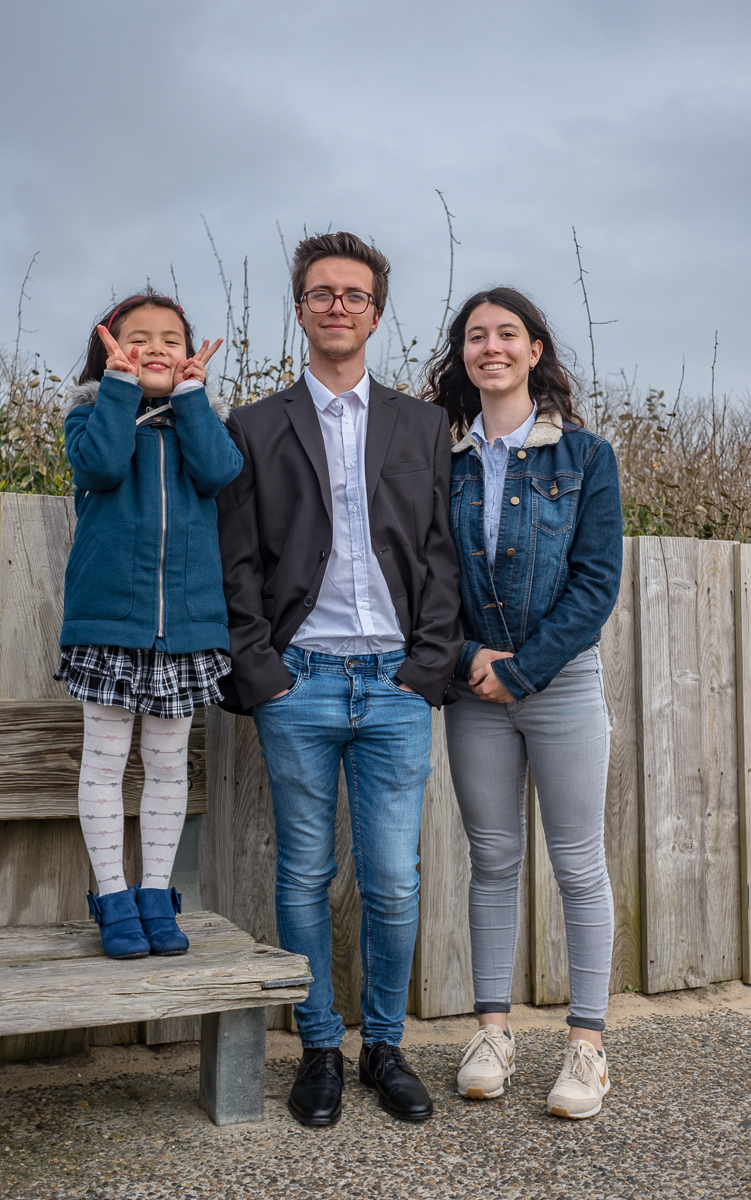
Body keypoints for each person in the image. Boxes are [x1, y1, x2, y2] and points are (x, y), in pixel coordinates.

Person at [217, 232, 462, 1126]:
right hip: (301, 683)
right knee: (305, 873)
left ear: (376, 314)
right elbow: (237, 562)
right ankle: (319, 1046)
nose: (337, 306)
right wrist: (264, 672)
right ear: (300, 310)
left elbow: (439, 554)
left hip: (395, 683)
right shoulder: (253, 426)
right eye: (321, 293)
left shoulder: (421, 425)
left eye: (354, 295)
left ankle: (383, 1047)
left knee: (393, 879)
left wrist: (426, 669)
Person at [424, 287, 622, 1119]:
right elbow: (422, 577)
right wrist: (469, 658)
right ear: (463, 356)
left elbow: (596, 584)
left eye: (508, 333)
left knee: (577, 862)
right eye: (476, 336)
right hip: (475, 690)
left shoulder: (585, 458)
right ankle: (492, 1034)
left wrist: (524, 669)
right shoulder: (441, 458)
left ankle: (587, 1046)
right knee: (494, 859)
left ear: (535, 350)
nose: (492, 347)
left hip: (562, 683)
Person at [55, 289, 242, 960]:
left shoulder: (200, 425)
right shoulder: (91, 417)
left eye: (171, 339)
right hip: (111, 625)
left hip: (185, 630)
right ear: (109, 350)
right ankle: (112, 898)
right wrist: (117, 389)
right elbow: (101, 466)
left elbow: (220, 472)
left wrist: (191, 399)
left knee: (167, 766)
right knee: (105, 764)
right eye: (138, 338)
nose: (156, 348)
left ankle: (157, 895)